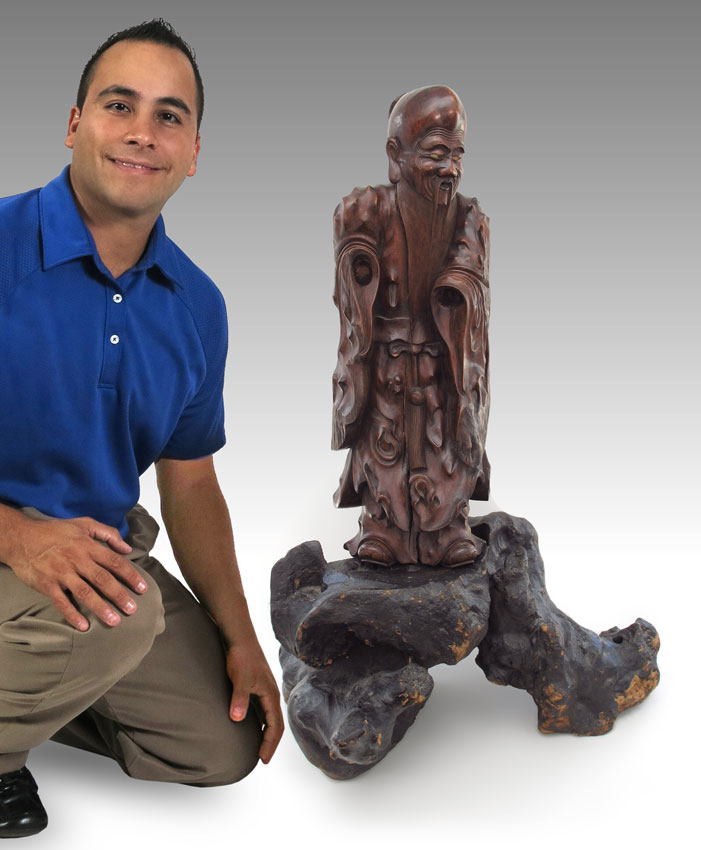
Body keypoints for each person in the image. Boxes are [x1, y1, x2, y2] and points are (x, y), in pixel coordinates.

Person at [0, 19, 283, 839]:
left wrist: (241, 637)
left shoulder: (197, 305)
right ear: (74, 123)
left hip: (88, 558)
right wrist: (17, 535)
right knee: (118, 620)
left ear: (192, 152)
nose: (141, 132)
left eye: (169, 116)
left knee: (220, 742)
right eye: (118, 105)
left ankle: (33, 687)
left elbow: (189, 483)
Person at [332, 86, 491, 567]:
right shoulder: (370, 209)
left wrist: (456, 290)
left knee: (446, 447)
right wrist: (360, 259)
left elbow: (472, 274)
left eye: (457, 155)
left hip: (443, 363)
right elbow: (354, 261)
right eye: (436, 153)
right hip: (387, 363)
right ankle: (381, 526)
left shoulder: (468, 216)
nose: (450, 169)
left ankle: (447, 529)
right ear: (394, 155)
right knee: (386, 444)